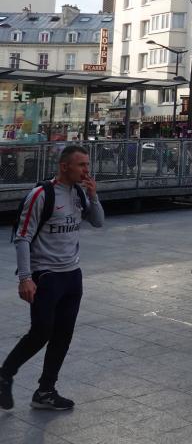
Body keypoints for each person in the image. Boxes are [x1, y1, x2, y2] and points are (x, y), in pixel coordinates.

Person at [0, 145, 105, 412]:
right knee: (41, 332)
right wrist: (25, 278)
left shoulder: (81, 191)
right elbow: (22, 237)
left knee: (63, 335)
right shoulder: (41, 195)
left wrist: (94, 197)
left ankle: (45, 390)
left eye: (87, 165)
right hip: (45, 275)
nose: (86, 170)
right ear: (64, 166)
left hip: (72, 274)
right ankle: (4, 374)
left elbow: (98, 222)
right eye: (81, 165)